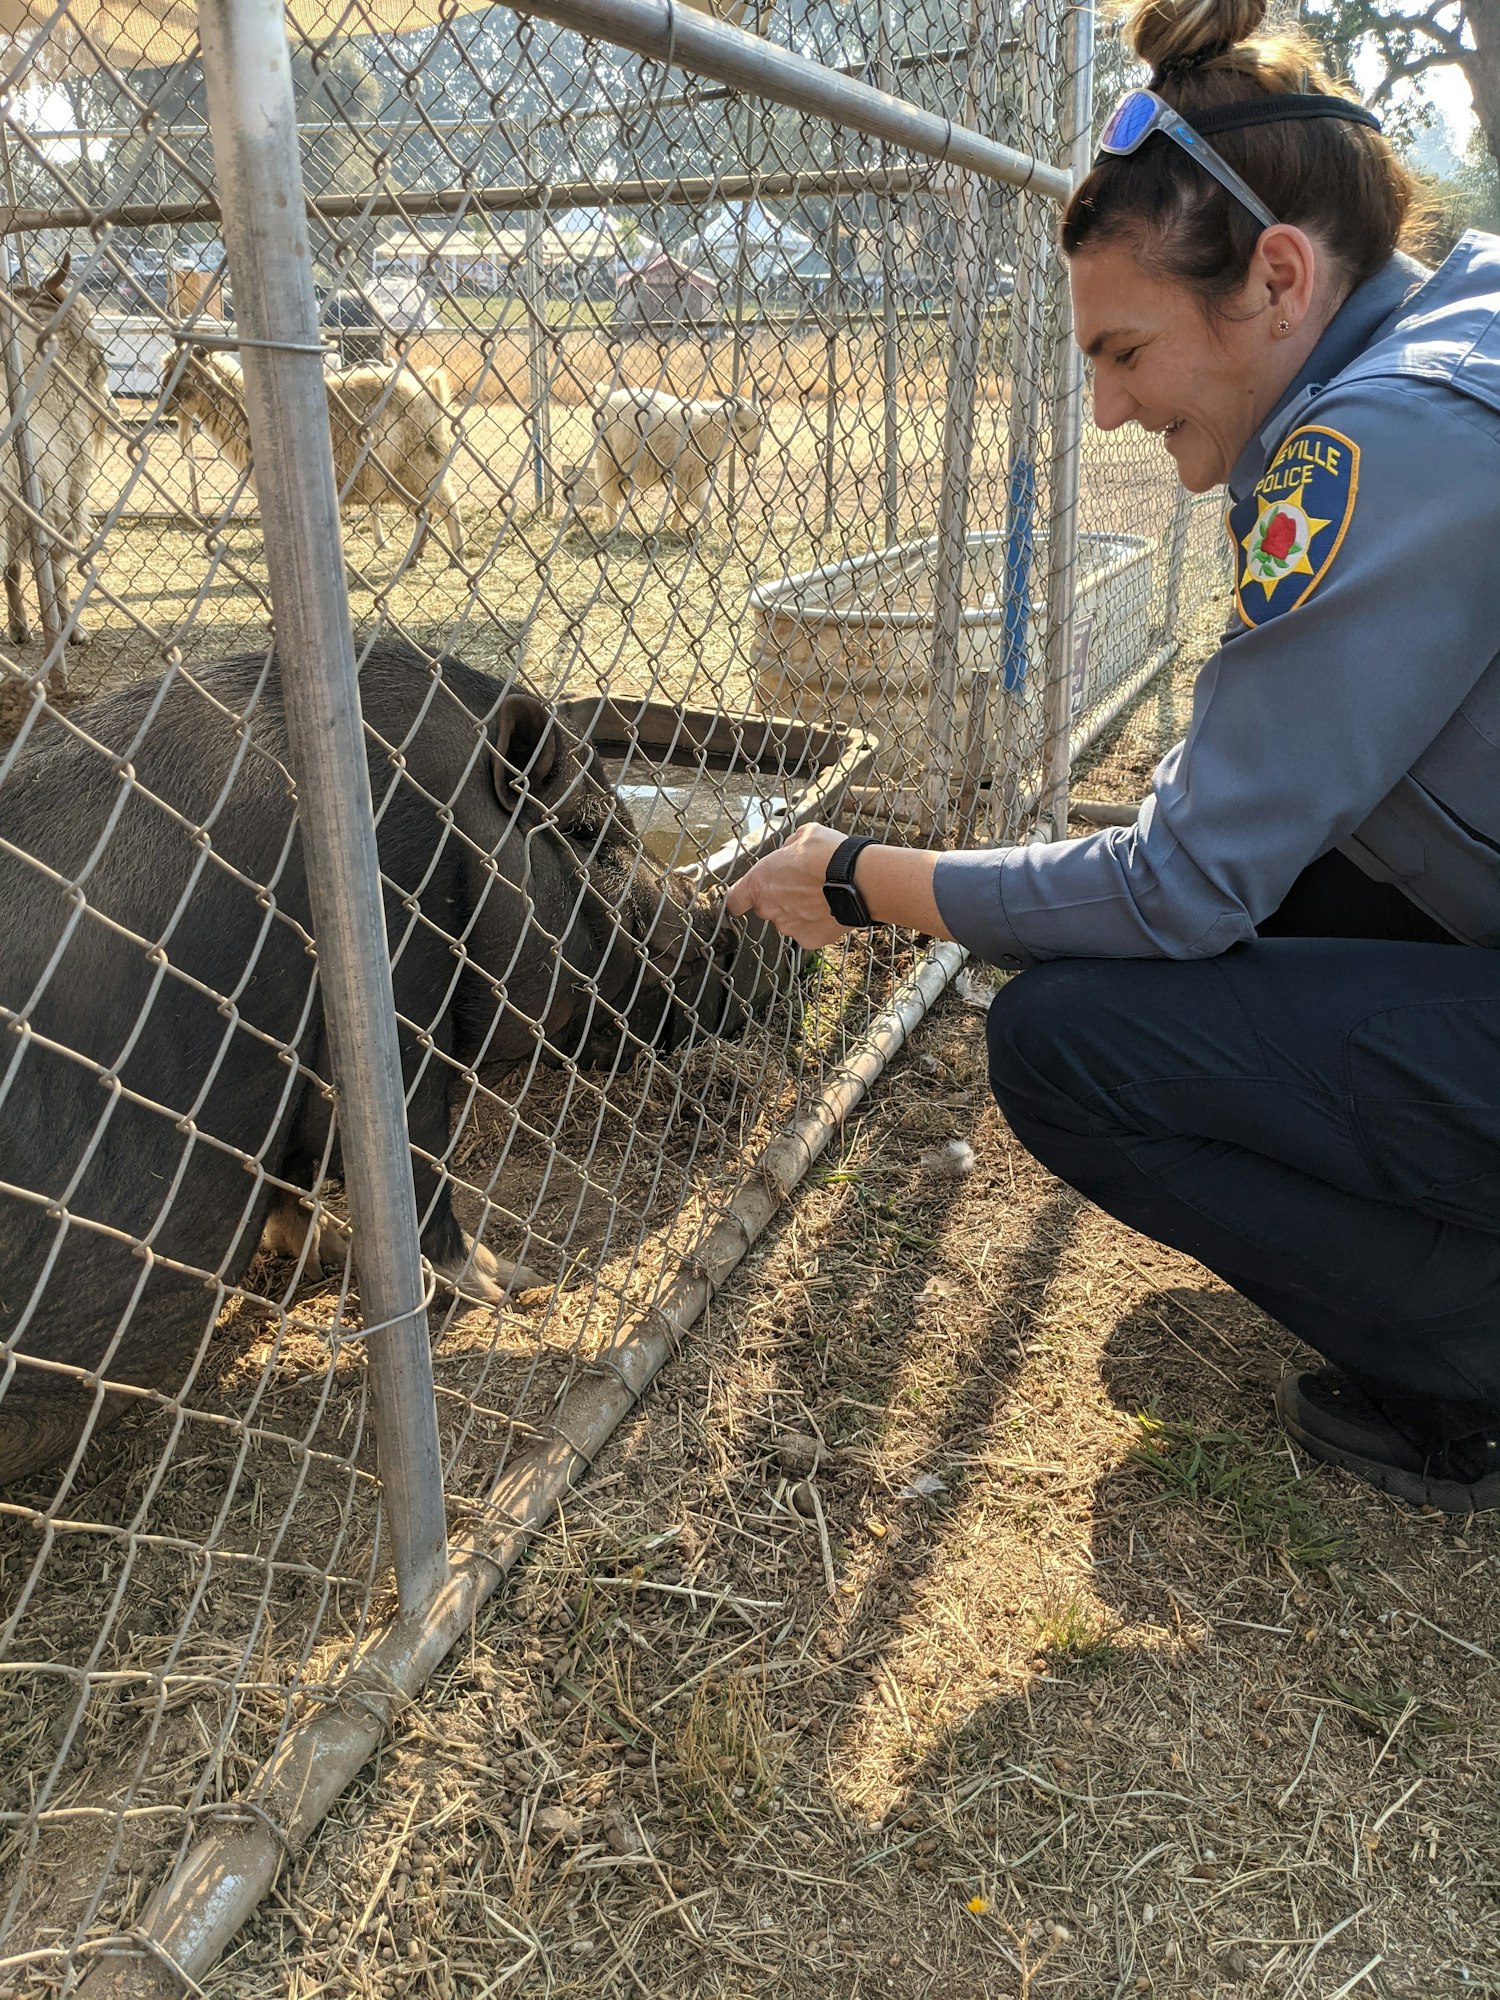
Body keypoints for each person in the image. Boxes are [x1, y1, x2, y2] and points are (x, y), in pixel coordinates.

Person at [725, 0, 1500, 1515]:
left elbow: (1182, 889)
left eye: (1127, 349)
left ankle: (1470, 1359)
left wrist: (866, 879)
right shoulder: (1456, 327)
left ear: (1280, 276)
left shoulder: (1382, 449)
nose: (1111, 406)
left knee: (1072, 1042)